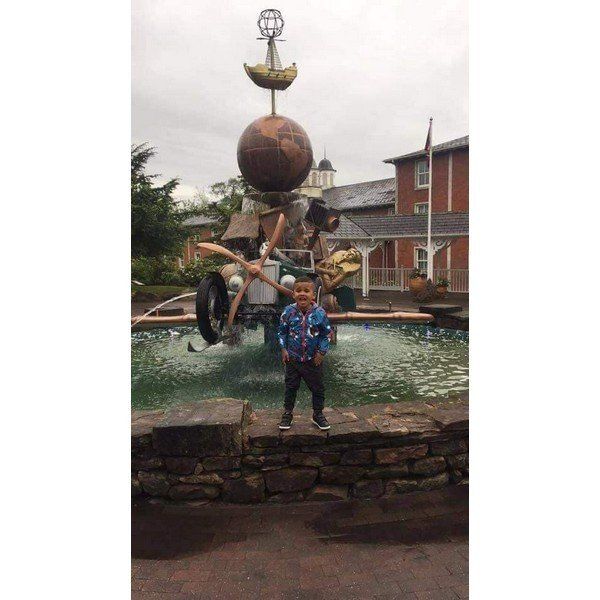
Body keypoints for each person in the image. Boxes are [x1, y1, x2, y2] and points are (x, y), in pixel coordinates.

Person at [277, 276, 332, 431]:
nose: (302, 293)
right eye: (298, 290)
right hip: (293, 359)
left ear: (313, 295)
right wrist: (283, 349)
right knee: (291, 387)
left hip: (312, 359)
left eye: (306, 291)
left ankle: (318, 414)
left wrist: (321, 352)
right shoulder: (288, 312)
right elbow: (282, 332)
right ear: (293, 294)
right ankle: (288, 413)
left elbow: (326, 334)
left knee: (318, 388)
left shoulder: (319, 313)